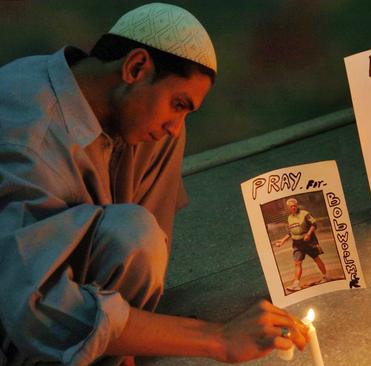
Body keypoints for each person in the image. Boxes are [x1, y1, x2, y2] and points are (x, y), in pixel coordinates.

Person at [0, 3, 308, 366]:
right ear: (135, 67)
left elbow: (143, 243)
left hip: (58, 296)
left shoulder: (146, 123)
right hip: (13, 319)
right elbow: (32, 311)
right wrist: (218, 339)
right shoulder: (26, 135)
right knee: (132, 230)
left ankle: (116, 347)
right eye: (178, 104)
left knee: (136, 228)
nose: (175, 126)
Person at [274, 198, 330, 291]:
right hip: (297, 244)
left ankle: (326, 276)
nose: (293, 207)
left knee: (316, 258)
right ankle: (296, 284)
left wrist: (308, 234)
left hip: (308, 242)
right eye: (291, 206)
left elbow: (314, 224)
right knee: (297, 263)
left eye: (294, 205)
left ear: (297, 205)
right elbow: (290, 232)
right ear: (288, 208)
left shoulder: (304, 213)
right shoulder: (289, 218)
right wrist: (282, 241)